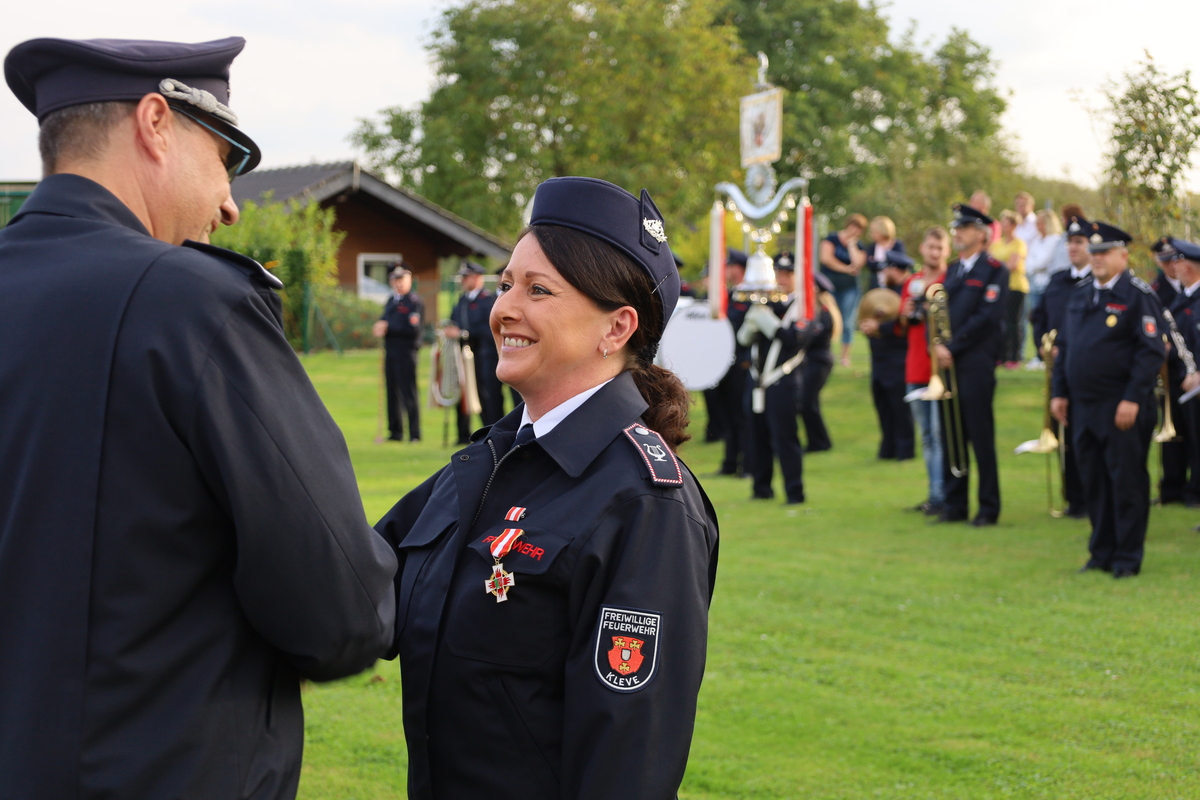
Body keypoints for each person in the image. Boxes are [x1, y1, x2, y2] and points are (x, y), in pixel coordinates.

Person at [0, 37, 398, 798]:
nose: (230, 203)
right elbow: (340, 611)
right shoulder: (188, 300)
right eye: (224, 159)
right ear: (156, 123)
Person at [375, 176, 718, 799]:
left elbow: (627, 763)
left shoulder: (646, 504)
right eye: (506, 284)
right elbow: (361, 582)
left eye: (538, 290)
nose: (504, 308)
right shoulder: (493, 457)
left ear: (616, 328)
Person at [1051, 222, 1167, 578]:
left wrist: (1132, 398)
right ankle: (1100, 553)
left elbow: (1150, 353)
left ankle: (1127, 558)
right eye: (1094, 252)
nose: (1097, 258)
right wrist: (1059, 392)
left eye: (1105, 252)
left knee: (1126, 482)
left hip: (1121, 406)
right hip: (1083, 405)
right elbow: (1065, 347)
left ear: (1123, 256)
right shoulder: (1081, 293)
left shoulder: (1138, 294)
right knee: (1094, 481)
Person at [934, 203, 1008, 526]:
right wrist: (939, 344)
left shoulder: (994, 269)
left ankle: (988, 508)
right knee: (951, 434)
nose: (957, 233)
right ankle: (955, 505)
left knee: (980, 435)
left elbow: (987, 317)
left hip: (975, 360)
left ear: (980, 234)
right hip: (948, 362)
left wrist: (952, 346)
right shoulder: (953, 270)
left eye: (964, 229)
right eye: (957, 228)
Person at [1029, 215, 1093, 518]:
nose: (1073, 248)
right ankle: (1073, 498)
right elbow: (1038, 317)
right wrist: (1044, 347)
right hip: (1058, 369)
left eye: (1079, 242)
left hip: (1085, 370)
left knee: (1085, 434)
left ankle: (1092, 496)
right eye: (1070, 242)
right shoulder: (1057, 280)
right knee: (1062, 432)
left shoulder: (1097, 283)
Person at [739, 251, 815, 503]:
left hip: (783, 380)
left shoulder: (804, 305)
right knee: (756, 436)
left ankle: (795, 492)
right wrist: (750, 325)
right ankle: (761, 489)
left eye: (788, 274)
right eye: (778, 273)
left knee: (785, 438)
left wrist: (769, 322)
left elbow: (795, 339)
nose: (782, 279)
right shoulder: (766, 302)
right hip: (756, 378)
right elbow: (744, 340)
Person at [900, 226, 950, 514]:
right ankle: (934, 494)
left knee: (940, 435)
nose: (934, 252)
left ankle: (944, 496)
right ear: (922, 248)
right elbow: (902, 324)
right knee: (927, 437)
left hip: (939, 369)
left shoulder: (949, 280)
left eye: (939, 248)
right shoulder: (913, 282)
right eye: (930, 247)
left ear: (947, 251)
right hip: (915, 367)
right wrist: (907, 312)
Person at [1151, 237, 1200, 507]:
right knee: (1177, 436)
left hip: (1195, 380)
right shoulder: (1185, 296)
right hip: (1177, 378)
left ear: (1186, 266)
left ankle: (1195, 492)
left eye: (1176, 262)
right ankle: (1174, 488)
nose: (1172, 267)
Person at [860, 251, 914, 460]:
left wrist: (880, 327)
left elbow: (905, 323)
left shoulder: (908, 292)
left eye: (886, 270)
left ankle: (905, 450)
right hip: (879, 357)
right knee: (882, 404)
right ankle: (887, 448)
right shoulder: (883, 291)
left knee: (899, 407)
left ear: (896, 270)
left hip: (897, 357)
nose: (882, 274)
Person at [446, 260, 503, 443]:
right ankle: (463, 434)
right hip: (464, 355)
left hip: (484, 356)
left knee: (487, 395)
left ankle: (493, 434)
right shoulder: (462, 300)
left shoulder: (488, 300)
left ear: (478, 278)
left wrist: (464, 333)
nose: (463, 281)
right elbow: (454, 321)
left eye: (467, 277)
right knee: (463, 393)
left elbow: (489, 329)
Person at [374, 263, 424, 441]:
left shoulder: (414, 302)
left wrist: (388, 326)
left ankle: (414, 433)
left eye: (402, 279)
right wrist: (379, 326)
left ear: (409, 279)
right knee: (392, 392)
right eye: (395, 279)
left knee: (408, 392)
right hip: (391, 351)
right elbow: (384, 319)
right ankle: (395, 431)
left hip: (406, 352)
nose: (398, 283)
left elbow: (413, 329)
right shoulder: (391, 301)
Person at [713, 248, 750, 473]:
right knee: (726, 415)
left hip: (742, 363)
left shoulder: (749, 295)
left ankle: (746, 464)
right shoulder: (729, 294)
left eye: (729, 266)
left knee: (741, 416)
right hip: (724, 362)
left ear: (738, 268)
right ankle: (729, 463)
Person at [819, 212, 867, 366]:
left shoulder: (859, 245)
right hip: (829, 287)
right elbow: (826, 258)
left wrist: (852, 245)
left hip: (850, 288)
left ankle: (845, 357)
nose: (856, 231)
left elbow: (858, 263)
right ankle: (825, 351)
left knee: (847, 323)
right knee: (828, 319)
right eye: (854, 227)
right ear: (849, 225)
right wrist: (846, 269)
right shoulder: (831, 238)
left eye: (859, 229)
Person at [800, 272, 837, 453]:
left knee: (807, 402)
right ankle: (818, 441)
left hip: (819, 361)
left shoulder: (823, 313)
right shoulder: (813, 311)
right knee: (807, 402)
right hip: (811, 361)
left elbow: (810, 339)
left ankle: (820, 442)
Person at [991, 209, 1029, 368]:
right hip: (1000, 287)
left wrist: (997, 268)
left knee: (1013, 322)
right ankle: (1002, 355)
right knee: (1000, 321)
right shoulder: (997, 244)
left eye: (1006, 223)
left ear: (1013, 225)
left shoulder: (1019, 243)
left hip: (1015, 286)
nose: (1003, 225)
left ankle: (1015, 356)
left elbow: (1012, 265)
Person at [1025, 208, 1064, 353]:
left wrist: (1032, 266)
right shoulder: (1037, 240)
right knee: (1036, 320)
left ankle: (1047, 350)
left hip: (1048, 286)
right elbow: (1028, 261)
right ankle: (1039, 351)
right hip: (1035, 284)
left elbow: (1042, 262)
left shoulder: (1054, 240)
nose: (1037, 225)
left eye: (1040, 222)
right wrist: (1032, 266)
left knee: (1049, 320)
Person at [862, 215, 905, 291]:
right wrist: (886, 264)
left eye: (874, 231)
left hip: (894, 286)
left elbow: (901, 263)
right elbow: (869, 264)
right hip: (876, 286)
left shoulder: (898, 245)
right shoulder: (872, 247)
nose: (871, 234)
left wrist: (878, 263)